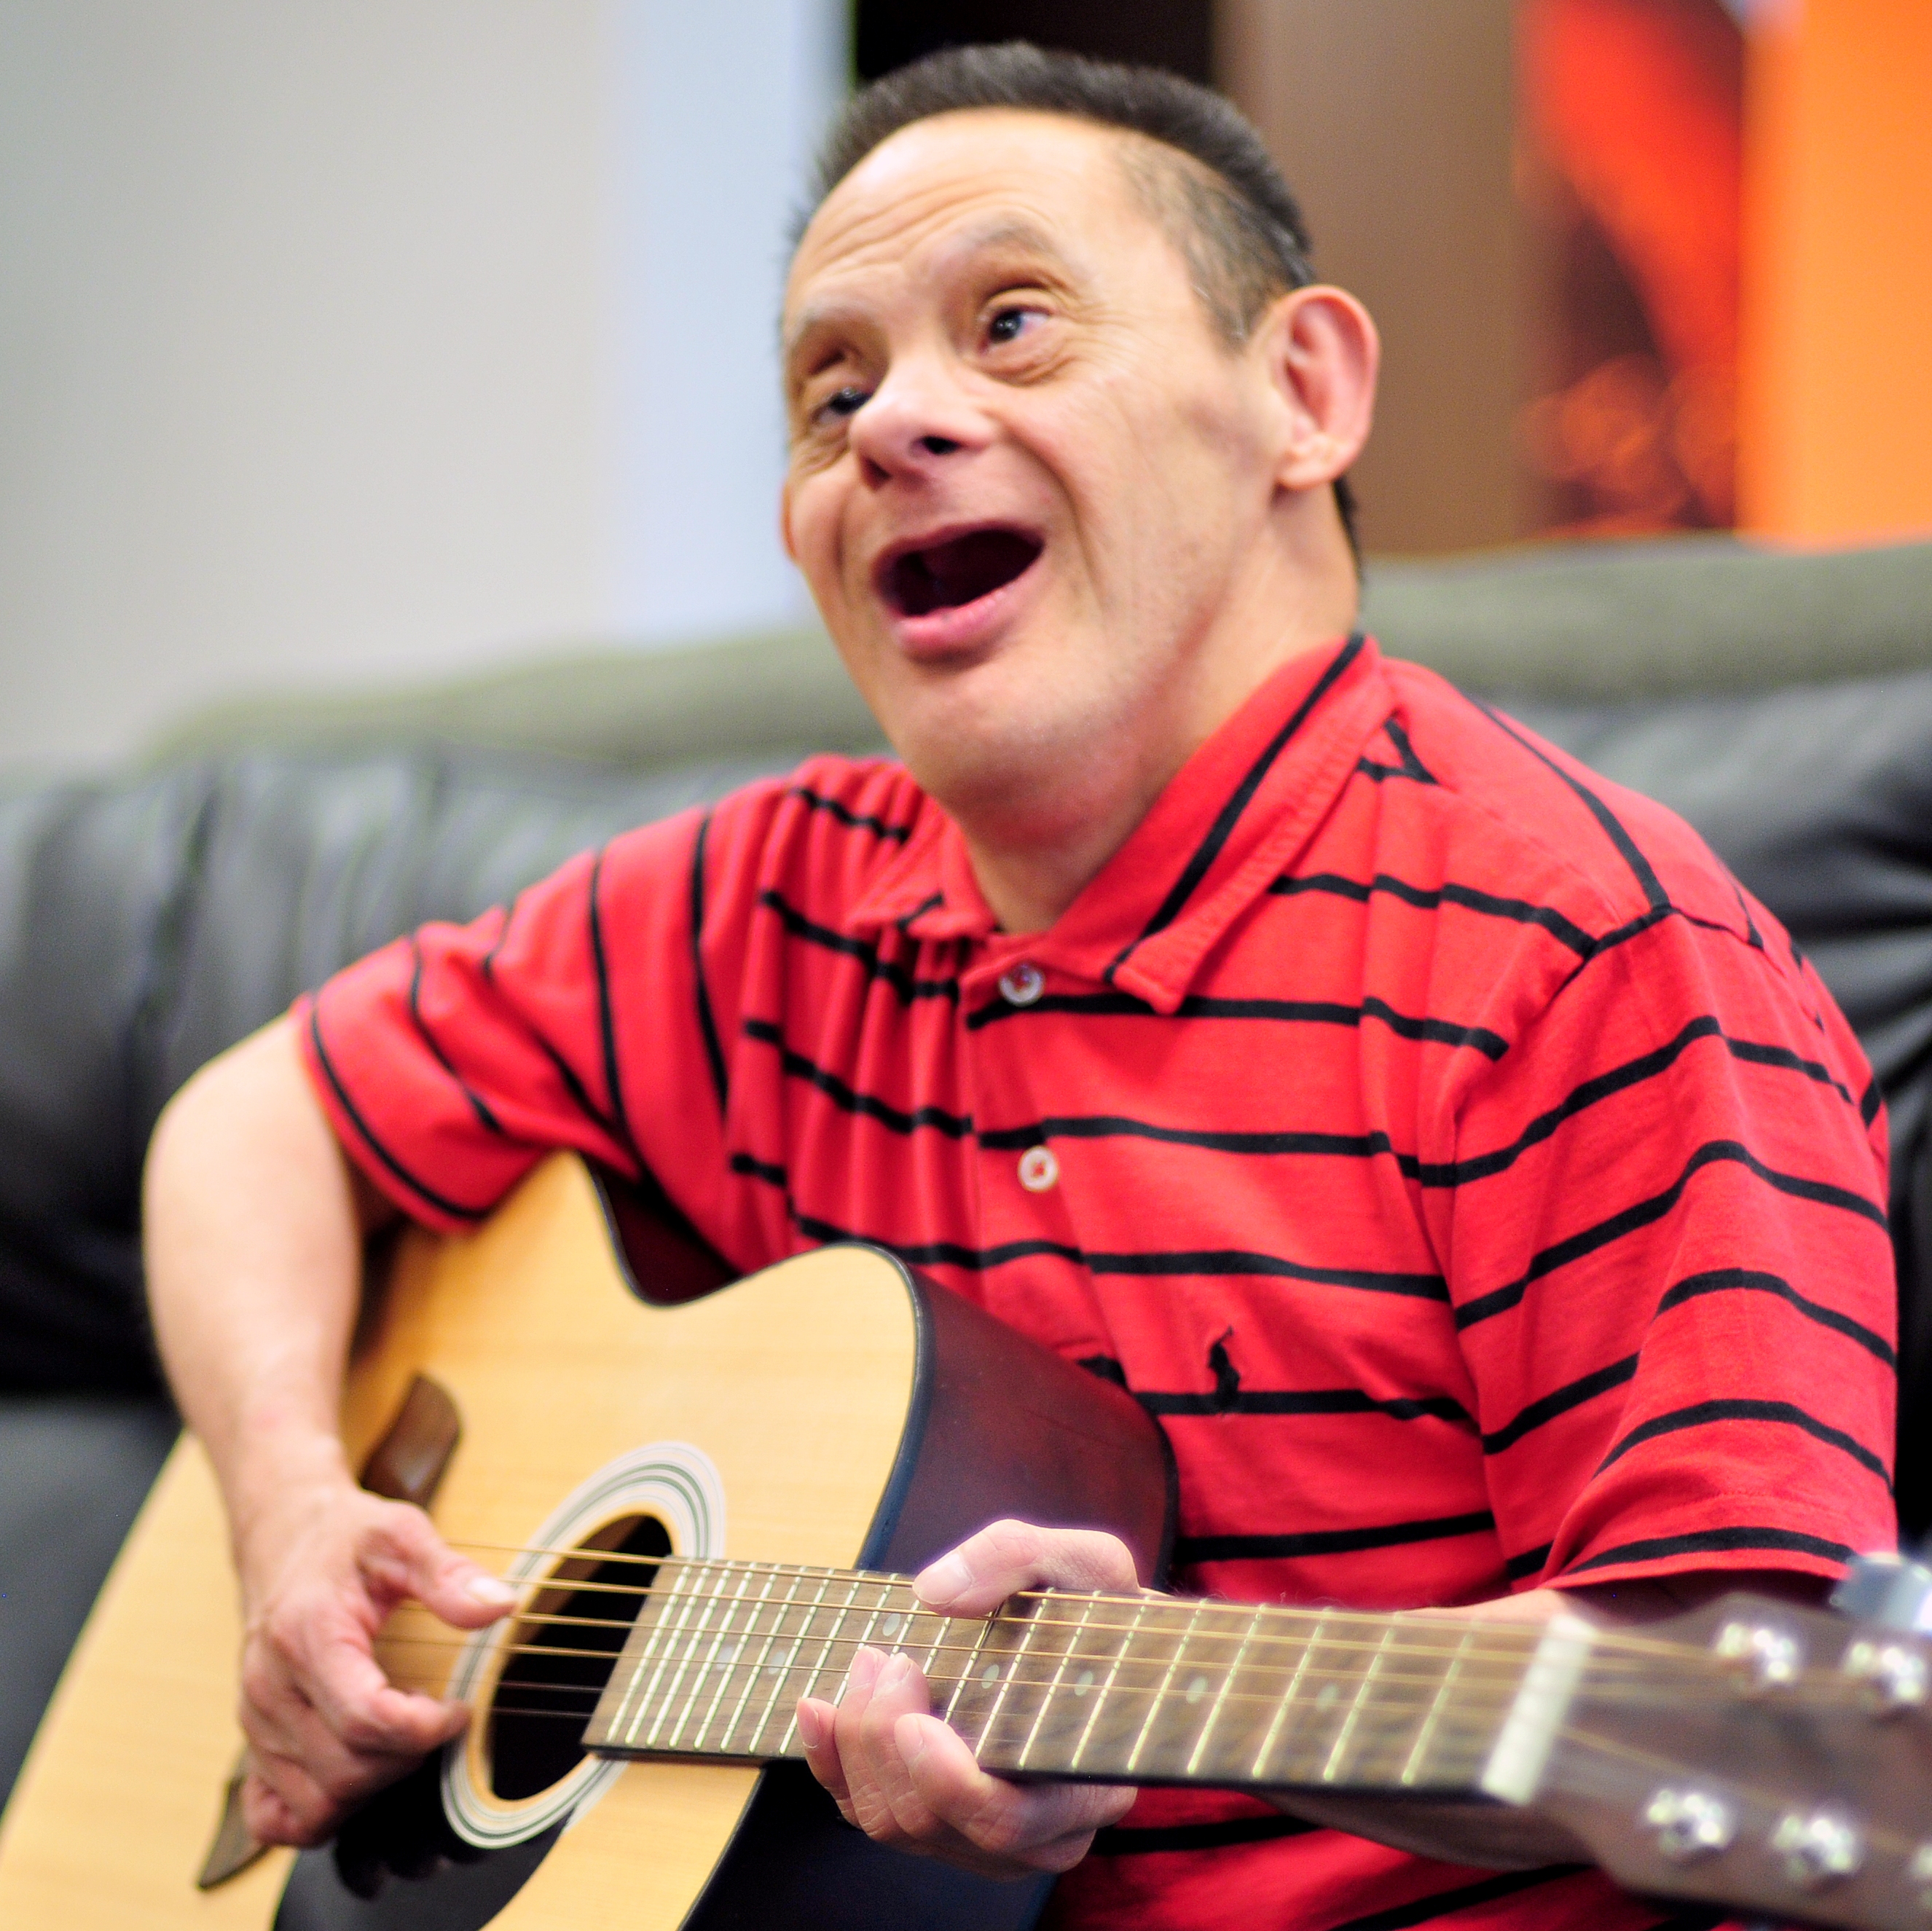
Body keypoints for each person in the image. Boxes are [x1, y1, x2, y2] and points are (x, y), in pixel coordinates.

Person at [143, 43, 1895, 1931]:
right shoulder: (761, 906)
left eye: (1012, 324)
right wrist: (292, 1516)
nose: (893, 420)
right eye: (829, 390)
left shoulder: (1588, 953)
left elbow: (1729, 1724)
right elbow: (250, 1119)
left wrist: (1160, 1712)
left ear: (1300, 394)